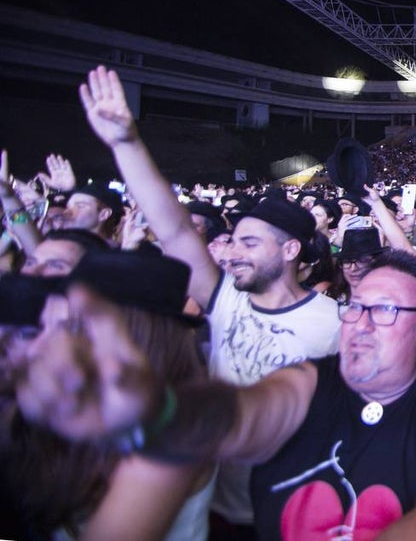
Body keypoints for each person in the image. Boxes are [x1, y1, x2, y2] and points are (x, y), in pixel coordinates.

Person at [15, 249, 416, 541]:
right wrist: (160, 409)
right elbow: (238, 416)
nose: (361, 324)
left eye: (385, 310)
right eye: (355, 308)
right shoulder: (309, 381)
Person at [78, 65, 342, 534]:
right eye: (234, 241)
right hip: (216, 504)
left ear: (290, 250)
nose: (233, 253)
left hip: (292, 508)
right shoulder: (225, 301)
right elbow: (175, 229)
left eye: (249, 244)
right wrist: (126, 143)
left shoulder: (335, 323)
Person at [4, 251, 215, 541]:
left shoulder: (179, 431)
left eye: (69, 327)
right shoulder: (65, 406)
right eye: (44, 327)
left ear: (131, 340)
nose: (37, 348)